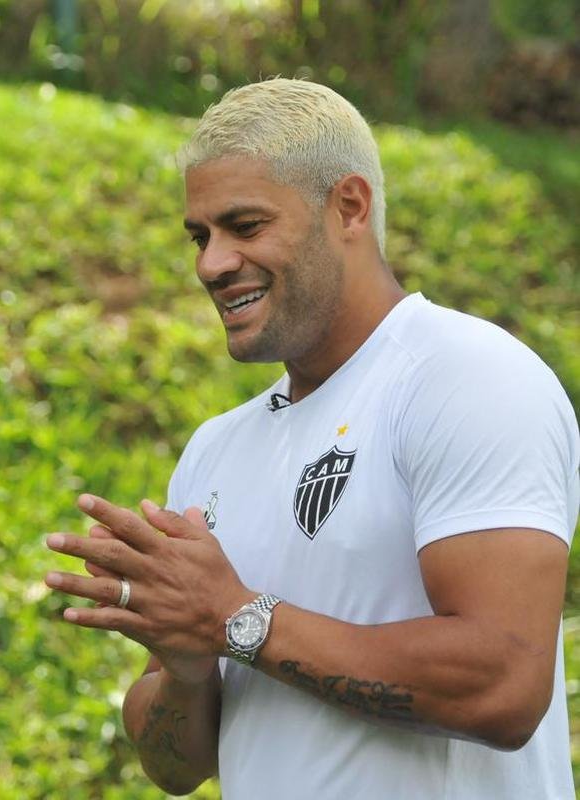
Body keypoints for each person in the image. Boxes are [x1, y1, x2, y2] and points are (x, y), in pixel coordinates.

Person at [44, 78, 578, 798]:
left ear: (348, 207)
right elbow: (174, 769)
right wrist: (187, 668)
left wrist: (235, 617)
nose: (210, 263)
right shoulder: (215, 448)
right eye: (199, 236)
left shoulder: (465, 376)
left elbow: (502, 685)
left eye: (244, 225)